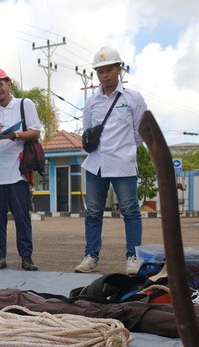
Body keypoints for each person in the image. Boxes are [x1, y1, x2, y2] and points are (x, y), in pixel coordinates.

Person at [75, 47, 147, 275]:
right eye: (100, 71)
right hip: (96, 164)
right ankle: (91, 256)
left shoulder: (133, 98)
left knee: (131, 211)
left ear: (119, 69)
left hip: (123, 164)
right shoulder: (92, 101)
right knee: (93, 213)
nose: (104, 75)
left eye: (108, 70)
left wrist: (123, 149)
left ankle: (133, 257)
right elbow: (88, 131)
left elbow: (140, 133)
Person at [0, 68, 40, 271]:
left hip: (17, 173)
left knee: (22, 218)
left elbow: (35, 132)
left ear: (8, 84)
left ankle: (26, 257)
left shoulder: (25, 104)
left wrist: (14, 136)